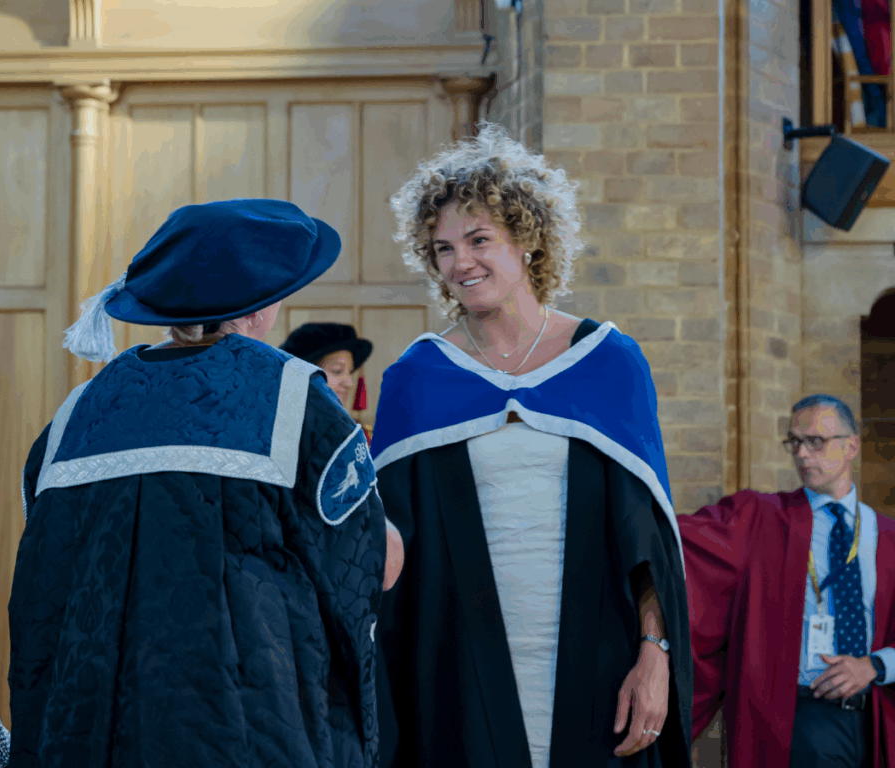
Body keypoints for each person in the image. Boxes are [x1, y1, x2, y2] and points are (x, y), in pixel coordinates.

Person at [9, 199, 392, 768]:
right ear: (261, 308)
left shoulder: (74, 416)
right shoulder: (290, 400)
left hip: (84, 733)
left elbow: (43, 595)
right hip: (240, 730)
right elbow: (369, 566)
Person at [372, 123, 692, 768]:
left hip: (595, 649)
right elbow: (387, 556)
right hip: (458, 660)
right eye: (442, 248)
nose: (462, 262)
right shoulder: (417, 378)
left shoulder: (609, 362)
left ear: (528, 238)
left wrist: (654, 656)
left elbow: (647, 537)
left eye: (480, 239)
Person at [681, 394, 895, 768]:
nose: (802, 455)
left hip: (875, 718)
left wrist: (874, 666)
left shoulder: (888, 537)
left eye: (815, 441)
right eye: (794, 442)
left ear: (851, 446)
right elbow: (686, 541)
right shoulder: (761, 518)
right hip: (799, 719)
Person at [280, 323, 375, 441]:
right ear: (303, 374)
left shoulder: (352, 433)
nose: (349, 383)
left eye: (350, 372)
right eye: (337, 371)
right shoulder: (281, 432)